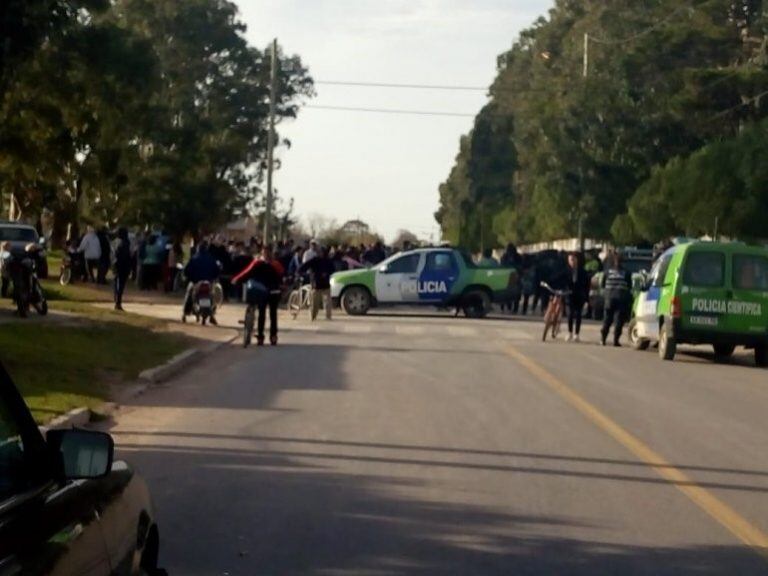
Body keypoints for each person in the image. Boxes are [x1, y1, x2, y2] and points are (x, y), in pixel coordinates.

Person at [233, 245, 285, 345]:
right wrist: (237, 279)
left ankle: (272, 336)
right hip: (265, 291)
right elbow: (247, 273)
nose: (265, 255)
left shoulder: (274, 264)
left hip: (271, 291)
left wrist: (237, 279)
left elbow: (282, 276)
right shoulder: (259, 263)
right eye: (264, 252)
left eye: (266, 252)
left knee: (272, 315)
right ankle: (261, 336)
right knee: (263, 314)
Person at [182, 242, 221, 324]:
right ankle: (212, 315)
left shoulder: (194, 259)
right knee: (215, 295)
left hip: (196, 282)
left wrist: (190, 278)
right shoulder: (211, 258)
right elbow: (217, 271)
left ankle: (185, 313)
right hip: (209, 283)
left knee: (189, 294)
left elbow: (187, 271)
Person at [600, 253, 633, 347]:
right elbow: (629, 286)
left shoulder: (607, 272)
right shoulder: (626, 273)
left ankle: (603, 339)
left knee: (607, 320)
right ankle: (615, 341)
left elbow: (602, 285)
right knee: (618, 321)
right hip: (621, 299)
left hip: (609, 299)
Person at [299, 246, 335, 321]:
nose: (320, 254)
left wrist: (327, 273)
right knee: (315, 303)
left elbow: (332, 269)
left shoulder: (327, 261)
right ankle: (313, 316)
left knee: (327, 302)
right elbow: (304, 266)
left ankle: (328, 316)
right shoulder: (314, 260)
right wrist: (299, 271)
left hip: (324, 284)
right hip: (316, 285)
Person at [566, 252, 590, 342]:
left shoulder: (583, 272)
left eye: (573, 259)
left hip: (579, 295)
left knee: (579, 315)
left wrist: (587, 298)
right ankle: (569, 332)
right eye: (570, 260)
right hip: (569, 295)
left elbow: (587, 285)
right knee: (570, 314)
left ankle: (577, 334)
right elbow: (560, 280)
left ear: (577, 260)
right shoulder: (566, 271)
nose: (572, 261)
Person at [113, 228, 132, 311]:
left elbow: (119, 255)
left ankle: (117, 301)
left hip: (120, 266)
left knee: (118, 284)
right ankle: (117, 302)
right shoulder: (126, 243)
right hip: (124, 266)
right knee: (120, 285)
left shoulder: (121, 243)